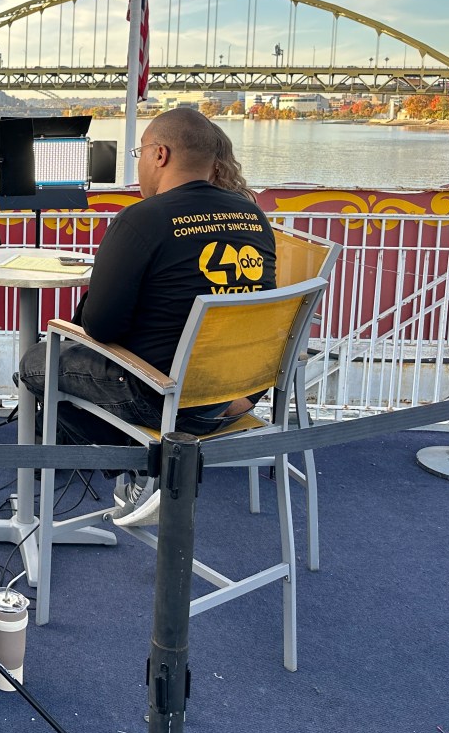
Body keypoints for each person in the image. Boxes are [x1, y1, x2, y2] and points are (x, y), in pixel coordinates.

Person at [18, 108, 277, 526]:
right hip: (238, 395)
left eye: (140, 152)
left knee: (36, 362)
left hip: (169, 402)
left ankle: (141, 464)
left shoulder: (142, 219)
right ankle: (141, 467)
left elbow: (100, 327)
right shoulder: (253, 216)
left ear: (160, 154)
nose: (138, 162)